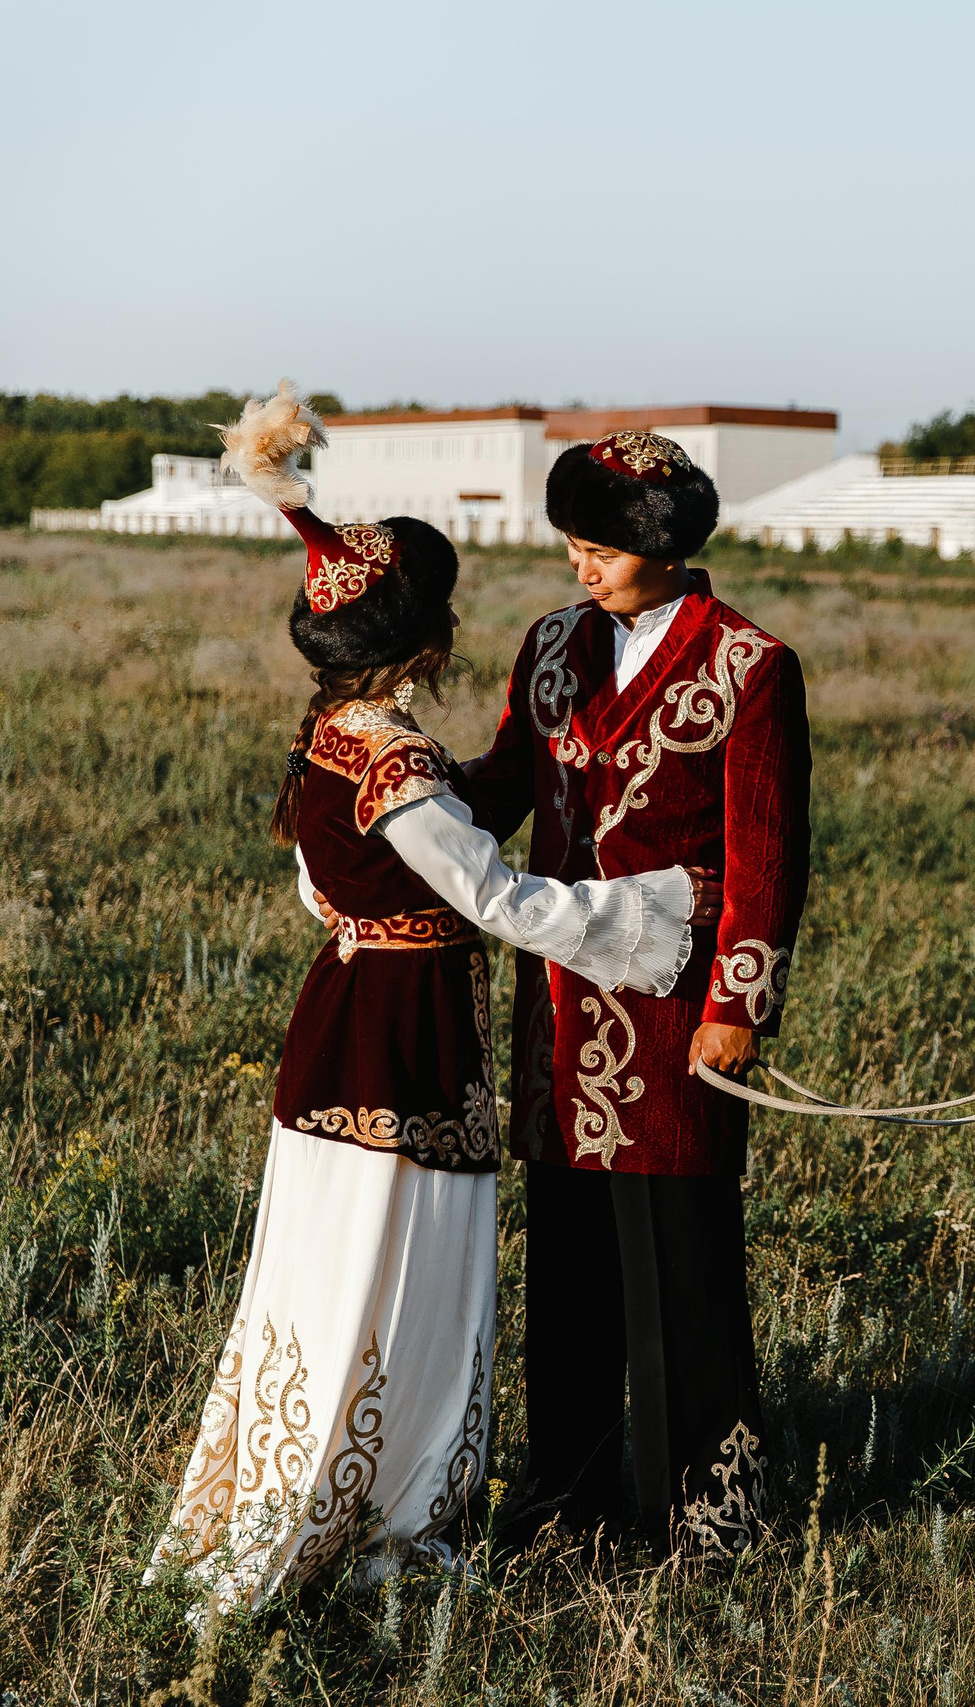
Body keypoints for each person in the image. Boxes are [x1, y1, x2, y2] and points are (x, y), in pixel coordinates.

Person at [148, 387, 700, 1616]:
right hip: (406, 1039)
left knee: (321, 1265)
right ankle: (379, 1531)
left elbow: (315, 888)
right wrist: (648, 919)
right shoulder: (397, 758)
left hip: (336, 1017)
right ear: (430, 636)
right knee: (403, 1272)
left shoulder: (323, 743)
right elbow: (497, 894)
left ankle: (293, 1497)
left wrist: (379, 921)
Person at [462, 427, 810, 1558]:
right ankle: (563, 1498)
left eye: (601, 546)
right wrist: (394, 788)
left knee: (681, 1269)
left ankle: (705, 1516)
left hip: (674, 1015)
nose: (580, 563)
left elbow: (767, 858)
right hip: (558, 1012)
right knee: (564, 1274)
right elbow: (505, 784)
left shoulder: (751, 667)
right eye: (570, 542)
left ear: (663, 545)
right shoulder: (550, 646)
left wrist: (738, 1006)